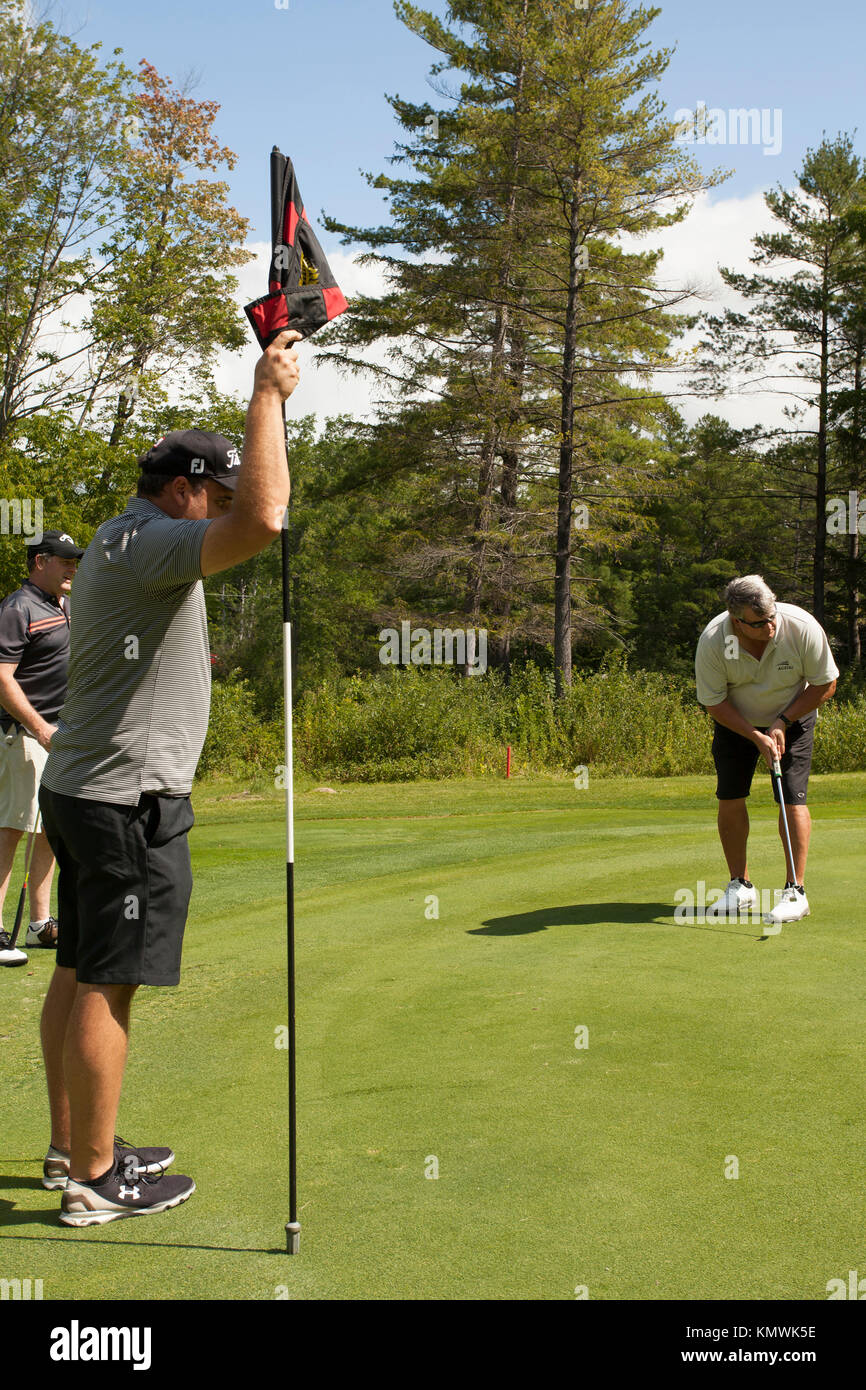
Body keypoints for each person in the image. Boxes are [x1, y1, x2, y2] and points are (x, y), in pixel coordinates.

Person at [37, 329, 301, 1225]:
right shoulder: (153, 543)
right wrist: (267, 395)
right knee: (111, 978)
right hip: (127, 799)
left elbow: (245, 517)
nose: (221, 510)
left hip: (82, 786)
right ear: (184, 487)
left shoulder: (119, 534)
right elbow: (265, 522)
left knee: (77, 968)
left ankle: (75, 1147)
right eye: (212, 495)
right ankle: (96, 1182)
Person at [695, 575, 838, 926]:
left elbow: (826, 683)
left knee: (792, 796)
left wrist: (782, 721)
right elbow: (714, 702)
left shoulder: (801, 627)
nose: (770, 626)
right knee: (730, 795)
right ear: (736, 621)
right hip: (735, 721)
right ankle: (740, 885)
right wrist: (754, 735)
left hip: (794, 717)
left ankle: (795, 891)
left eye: (772, 616)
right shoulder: (714, 640)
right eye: (759, 623)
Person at [0, 531, 84, 967]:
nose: (73, 568)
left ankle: (39, 924)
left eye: (75, 561)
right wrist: (37, 727)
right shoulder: (17, 608)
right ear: (39, 562)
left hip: (58, 735)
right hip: (22, 735)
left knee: (48, 830)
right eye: (65, 561)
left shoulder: (64, 605)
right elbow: (2, 678)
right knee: (10, 831)